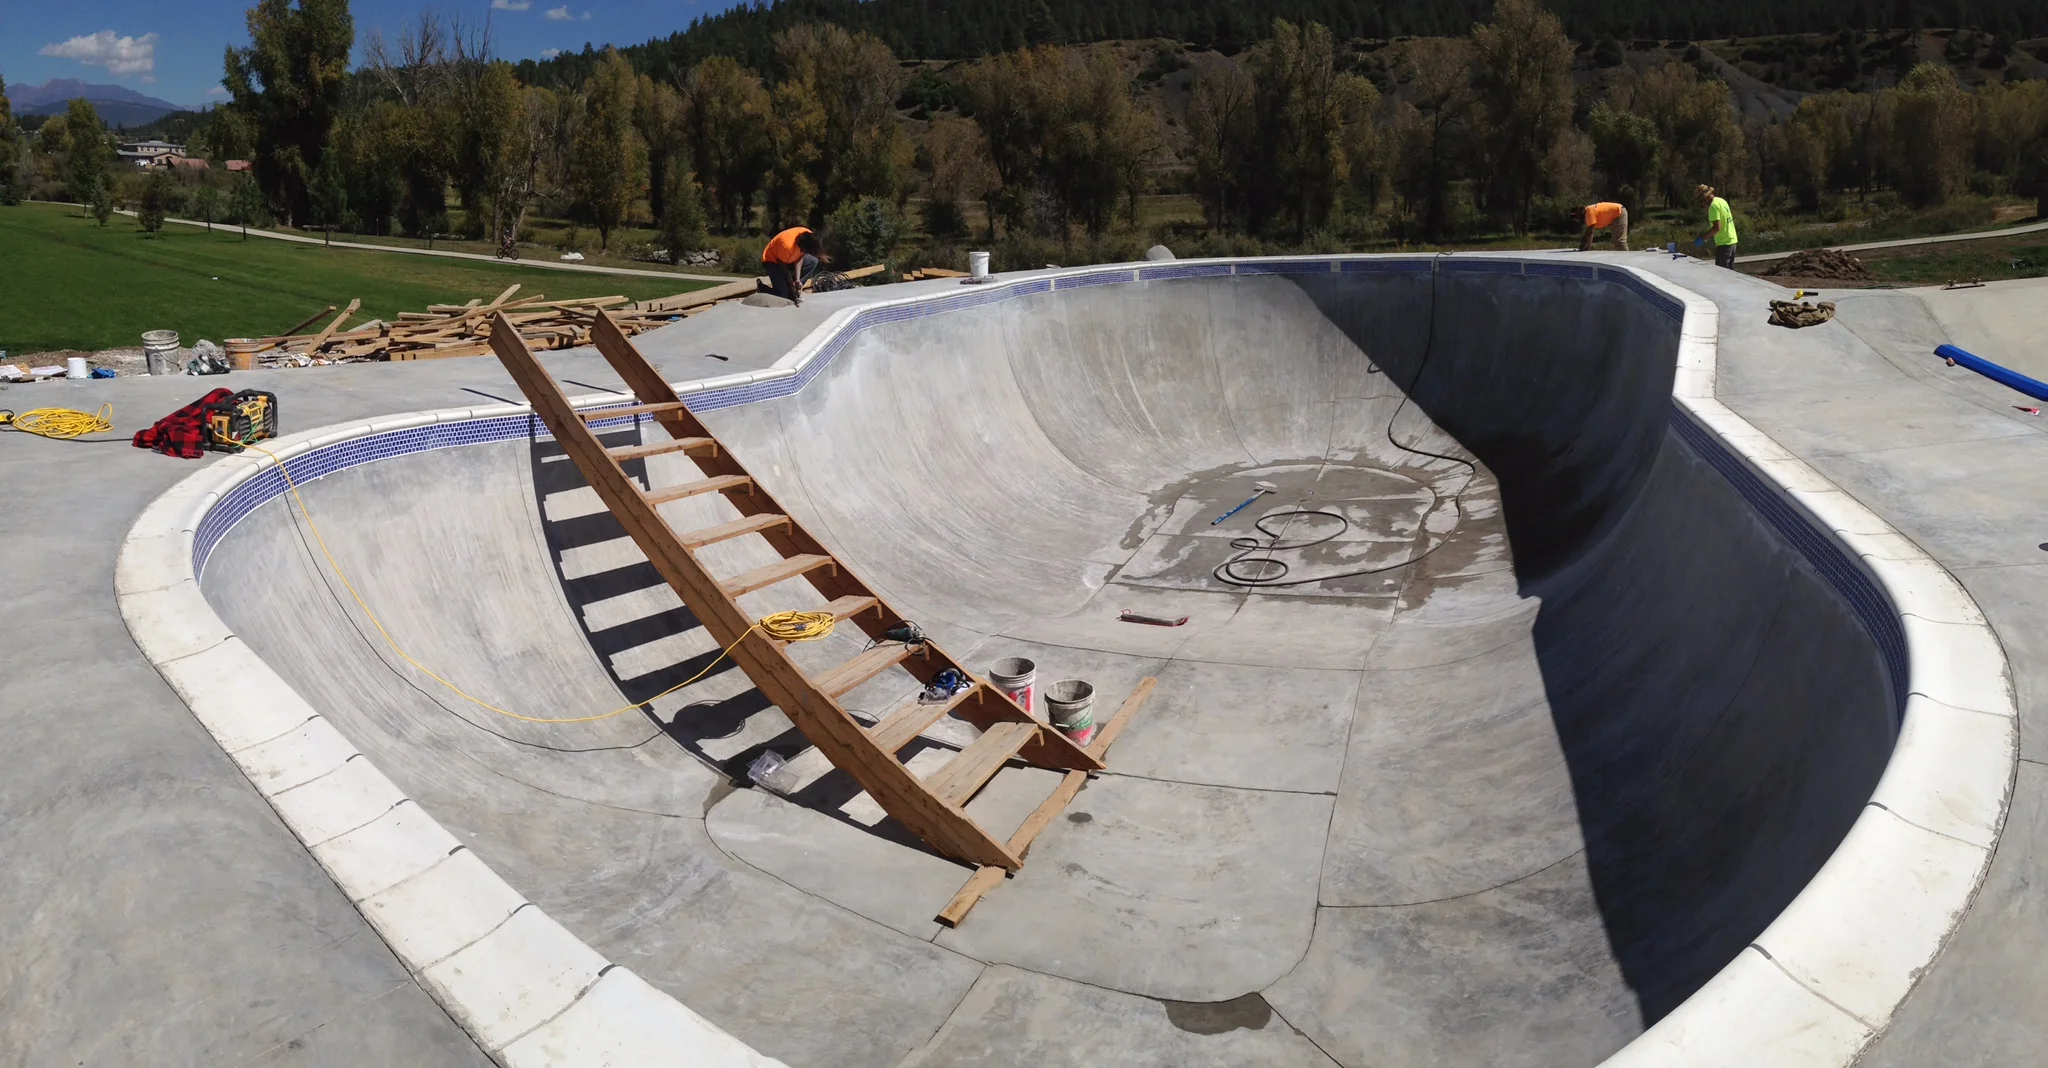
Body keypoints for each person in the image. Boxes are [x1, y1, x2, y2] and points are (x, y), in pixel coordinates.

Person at [761, 225, 827, 304]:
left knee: (813, 261)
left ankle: (795, 288)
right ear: (801, 245)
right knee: (782, 296)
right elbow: (781, 264)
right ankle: (762, 288)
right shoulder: (786, 245)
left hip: (788, 259)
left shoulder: (809, 236)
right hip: (772, 261)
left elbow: (799, 258)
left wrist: (797, 279)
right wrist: (790, 282)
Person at [1694, 184, 1739, 268]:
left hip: (1724, 243)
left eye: (1701, 200)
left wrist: (1703, 239)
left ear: (1705, 198)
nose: (1702, 203)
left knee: (1722, 274)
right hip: (1732, 240)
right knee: (1730, 274)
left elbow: (1716, 228)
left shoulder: (1713, 207)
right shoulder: (1721, 201)